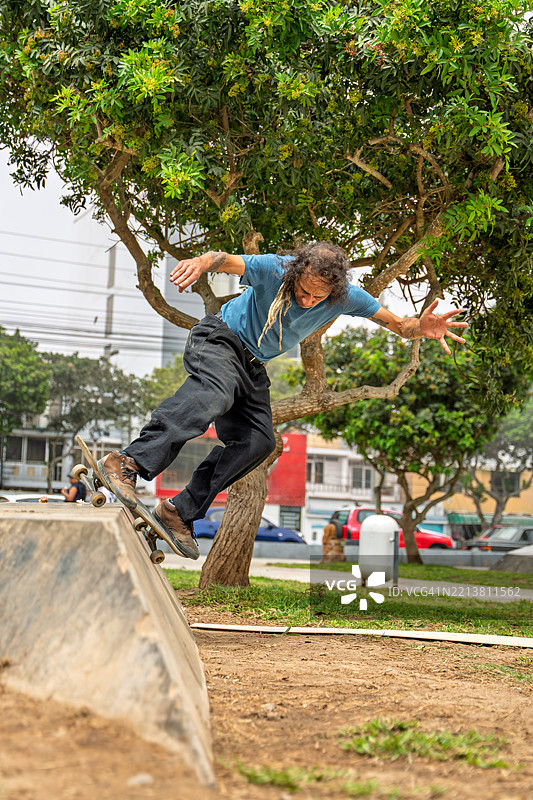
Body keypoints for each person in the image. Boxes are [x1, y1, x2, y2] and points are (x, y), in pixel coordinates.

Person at [98, 242, 467, 560]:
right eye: (303, 291)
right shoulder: (275, 269)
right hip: (220, 339)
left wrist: (421, 326)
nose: (307, 301)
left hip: (254, 366)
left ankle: (179, 511)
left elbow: (399, 325)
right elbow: (224, 259)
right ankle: (127, 461)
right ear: (296, 273)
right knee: (215, 392)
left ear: (334, 292)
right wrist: (200, 264)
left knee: (259, 442)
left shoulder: (348, 297)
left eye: (316, 297)